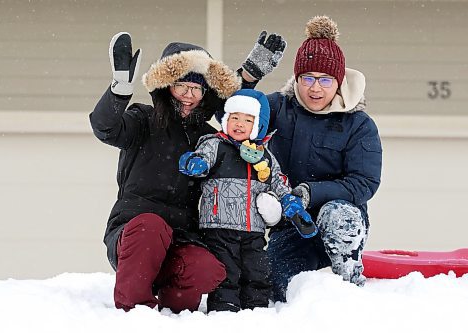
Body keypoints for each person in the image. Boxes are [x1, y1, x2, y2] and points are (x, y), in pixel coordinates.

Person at [89, 31, 286, 312]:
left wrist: (248, 77)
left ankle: (177, 317)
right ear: (165, 85)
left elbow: (235, 119)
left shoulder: (209, 138)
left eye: (197, 89)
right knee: (151, 226)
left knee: (208, 268)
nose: (189, 95)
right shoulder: (143, 120)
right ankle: (134, 315)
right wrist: (120, 89)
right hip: (135, 236)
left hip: (182, 239)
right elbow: (106, 128)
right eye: (182, 86)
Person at [259, 15, 383, 302]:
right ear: (297, 79)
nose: (316, 89)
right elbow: (232, 119)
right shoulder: (278, 108)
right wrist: (249, 77)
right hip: (292, 226)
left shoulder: (359, 124)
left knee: (336, 214)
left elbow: (364, 182)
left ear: (338, 81)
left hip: (341, 218)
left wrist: (310, 193)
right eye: (308, 78)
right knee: (274, 287)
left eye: (325, 80)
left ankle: (349, 284)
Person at [178, 89, 317, 312]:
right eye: (234, 118)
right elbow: (200, 160)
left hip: (253, 230)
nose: (239, 124)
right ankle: (224, 312)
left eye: (247, 120)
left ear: (258, 125)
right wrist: (195, 163)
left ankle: (257, 311)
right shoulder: (215, 145)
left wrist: (294, 208)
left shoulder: (264, 157)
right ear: (225, 120)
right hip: (218, 227)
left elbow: (280, 185)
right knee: (226, 273)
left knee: (257, 271)